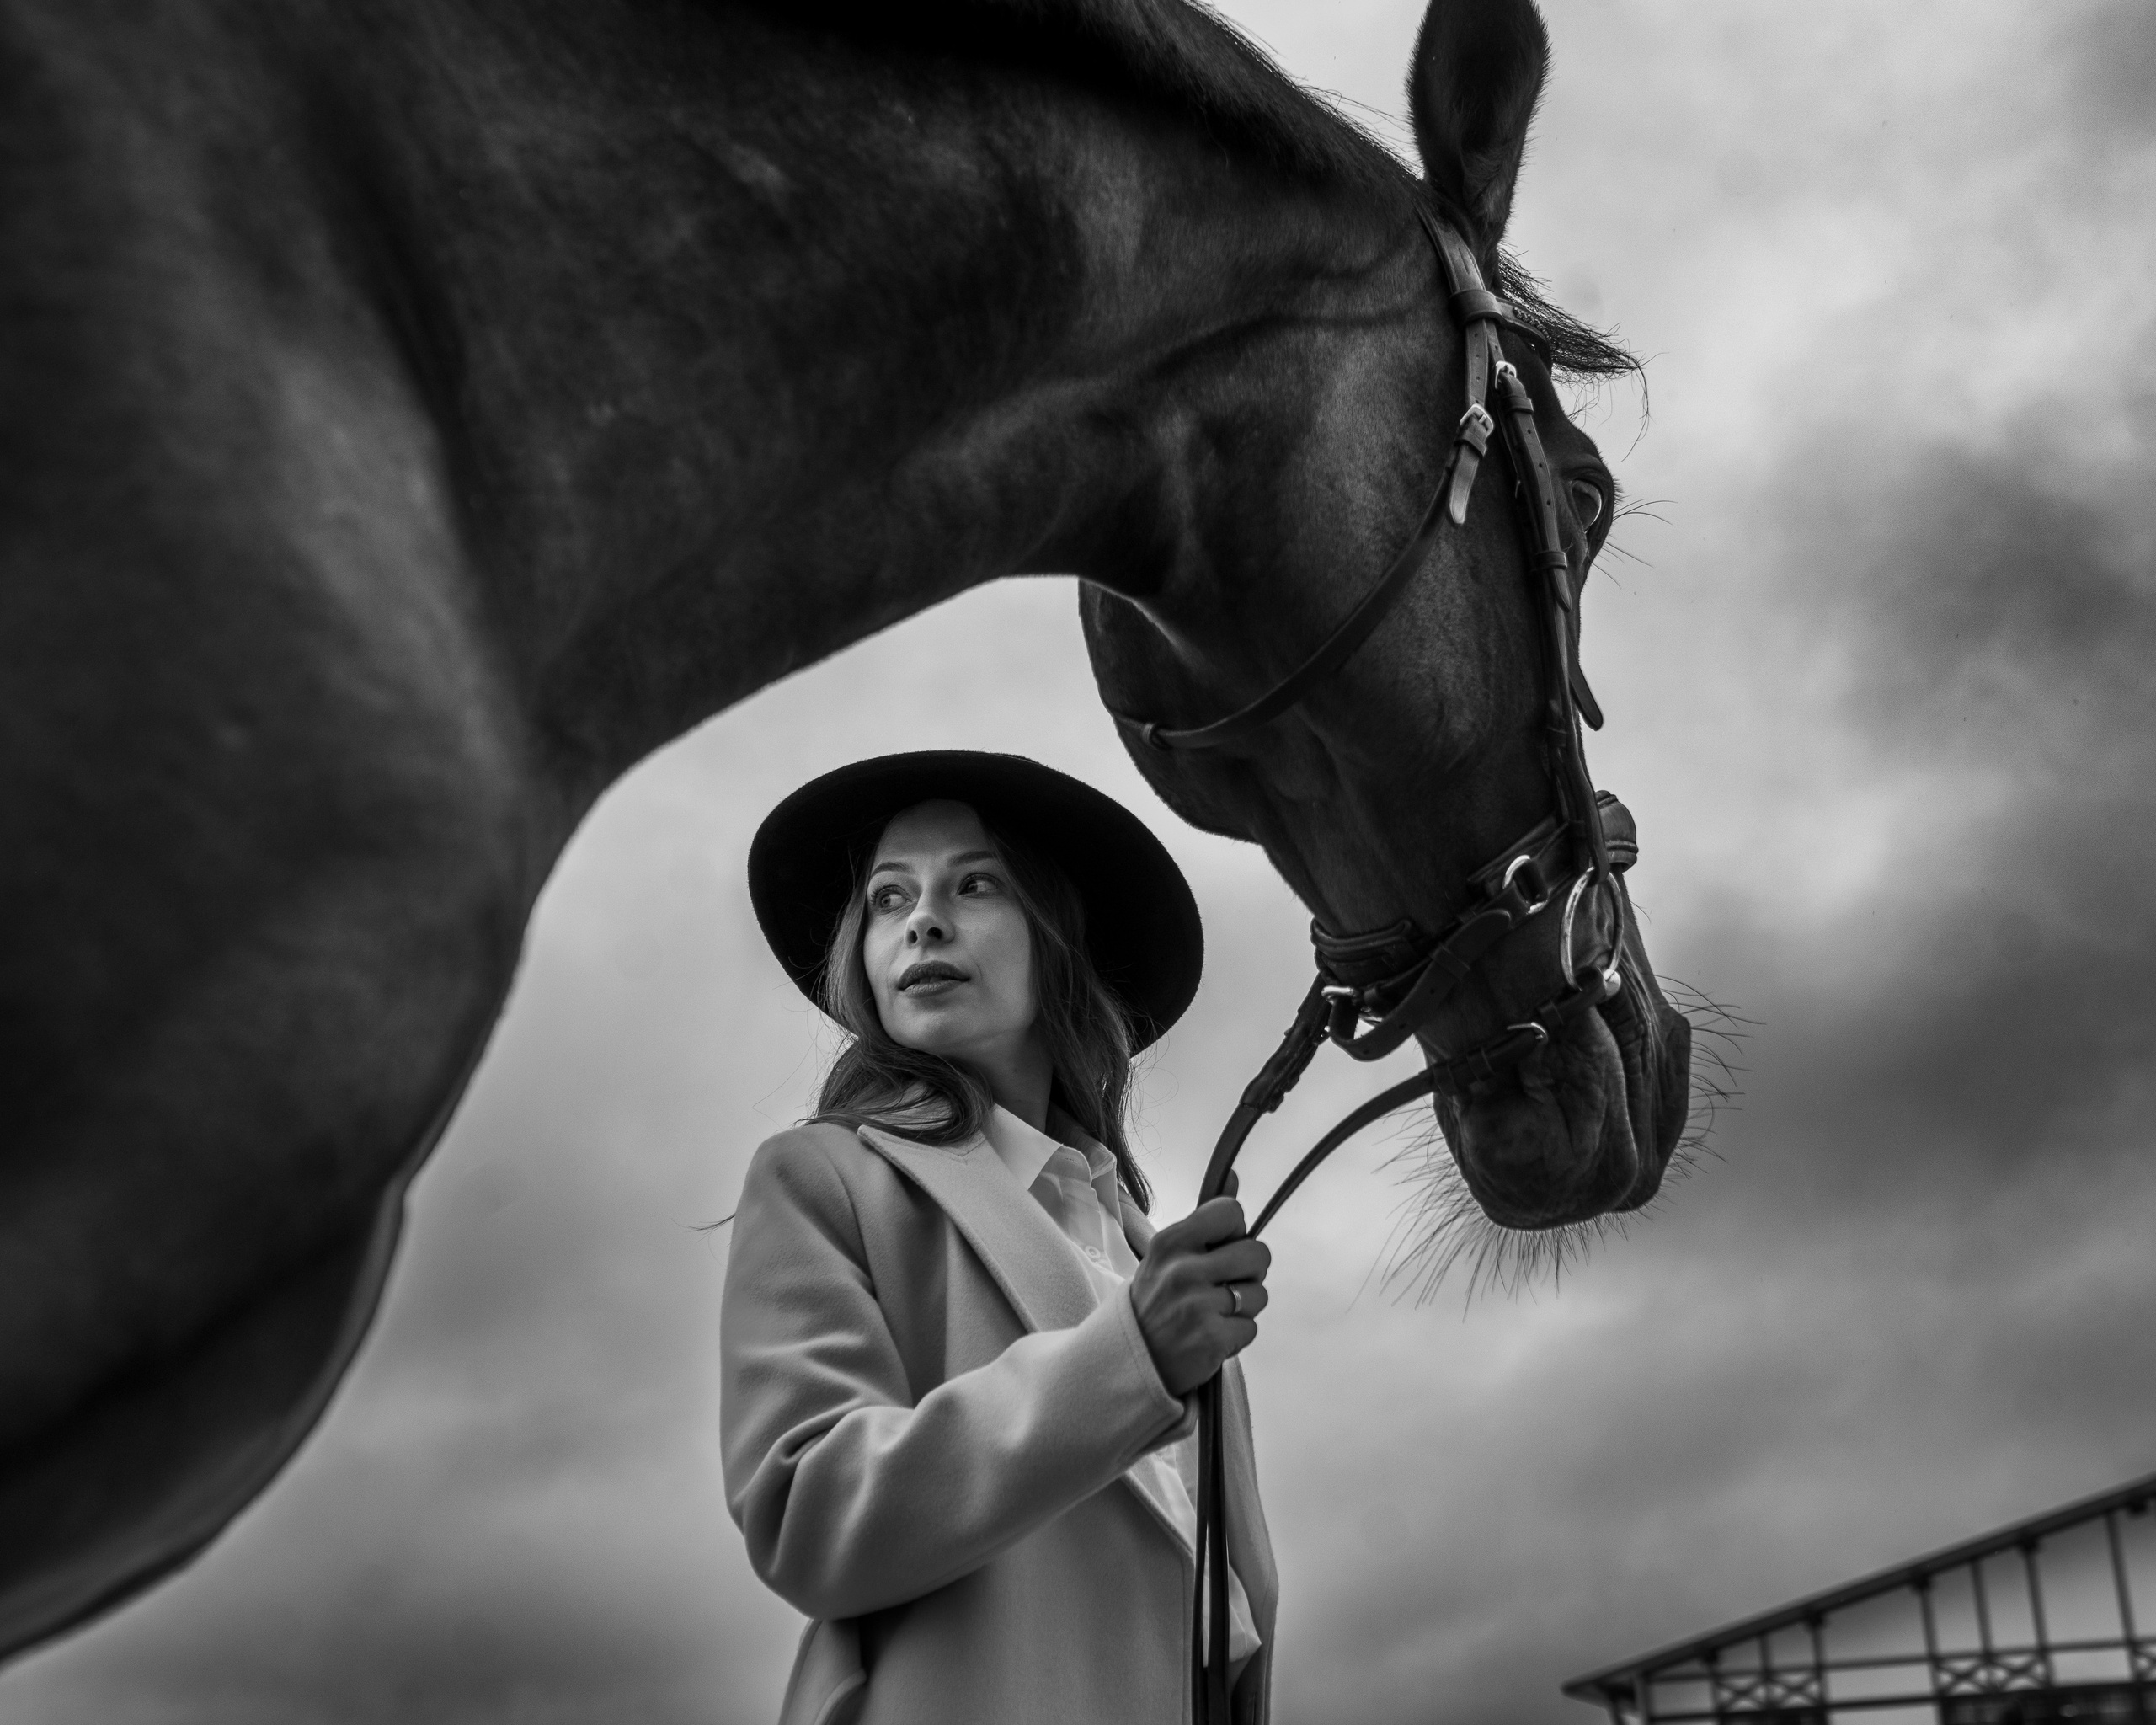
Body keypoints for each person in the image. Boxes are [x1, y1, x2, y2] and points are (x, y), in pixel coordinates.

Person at [723, 750, 1278, 1725]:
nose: (922, 919)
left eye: (973, 883)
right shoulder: (818, 1176)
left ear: (1059, 937)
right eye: (889, 897)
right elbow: (807, 1511)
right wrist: (1130, 1357)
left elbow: (1221, 1604)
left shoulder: (1143, 1248)